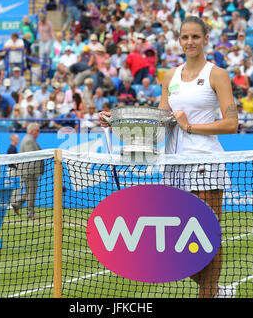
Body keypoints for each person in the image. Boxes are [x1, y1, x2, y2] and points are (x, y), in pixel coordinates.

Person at [100, 16, 238, 299]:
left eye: (196, 37)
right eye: (185, 37)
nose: (190, 42)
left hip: (204, 161)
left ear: (205, 39)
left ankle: (209, 294)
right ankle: (218, 292)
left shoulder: (217, 74)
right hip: (173, 164)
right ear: (179, 40)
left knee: (207, 231)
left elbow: (231, 123)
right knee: (180, 239)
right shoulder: (169, 77)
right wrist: (116, 122)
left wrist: (190, 126)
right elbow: (160, 121)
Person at [10, 123, 42, 219]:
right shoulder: (29, 140)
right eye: (38, 130)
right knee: (31, 192)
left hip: (28, 171)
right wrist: (33, 172)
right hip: (30, 172)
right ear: (32, 131)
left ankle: (16, 203)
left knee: (29, 192)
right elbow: (30, 158)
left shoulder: (29, 140)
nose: (39, 133)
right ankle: (30, 213)